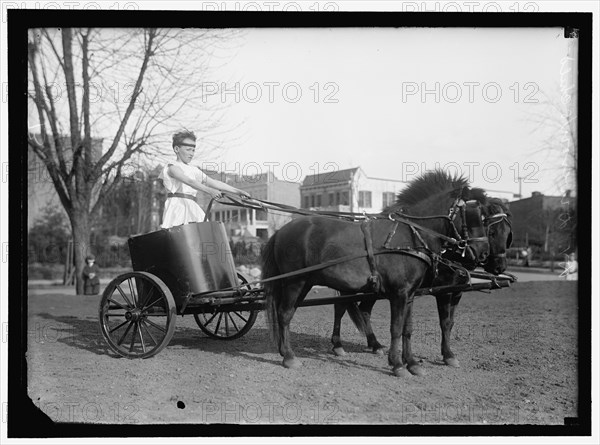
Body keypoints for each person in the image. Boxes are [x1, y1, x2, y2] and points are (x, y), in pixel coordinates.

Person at [159, 130, 249, 229]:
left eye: (193, 150)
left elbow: (214, 183)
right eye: (188, 150)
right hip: (177, 207)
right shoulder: (172, 167)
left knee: (203, 233)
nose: (191, 154)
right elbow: (190, 181)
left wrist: (238, 191)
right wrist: (209, 191)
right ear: (177, 149)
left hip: (192, 207)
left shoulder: (194, 170)